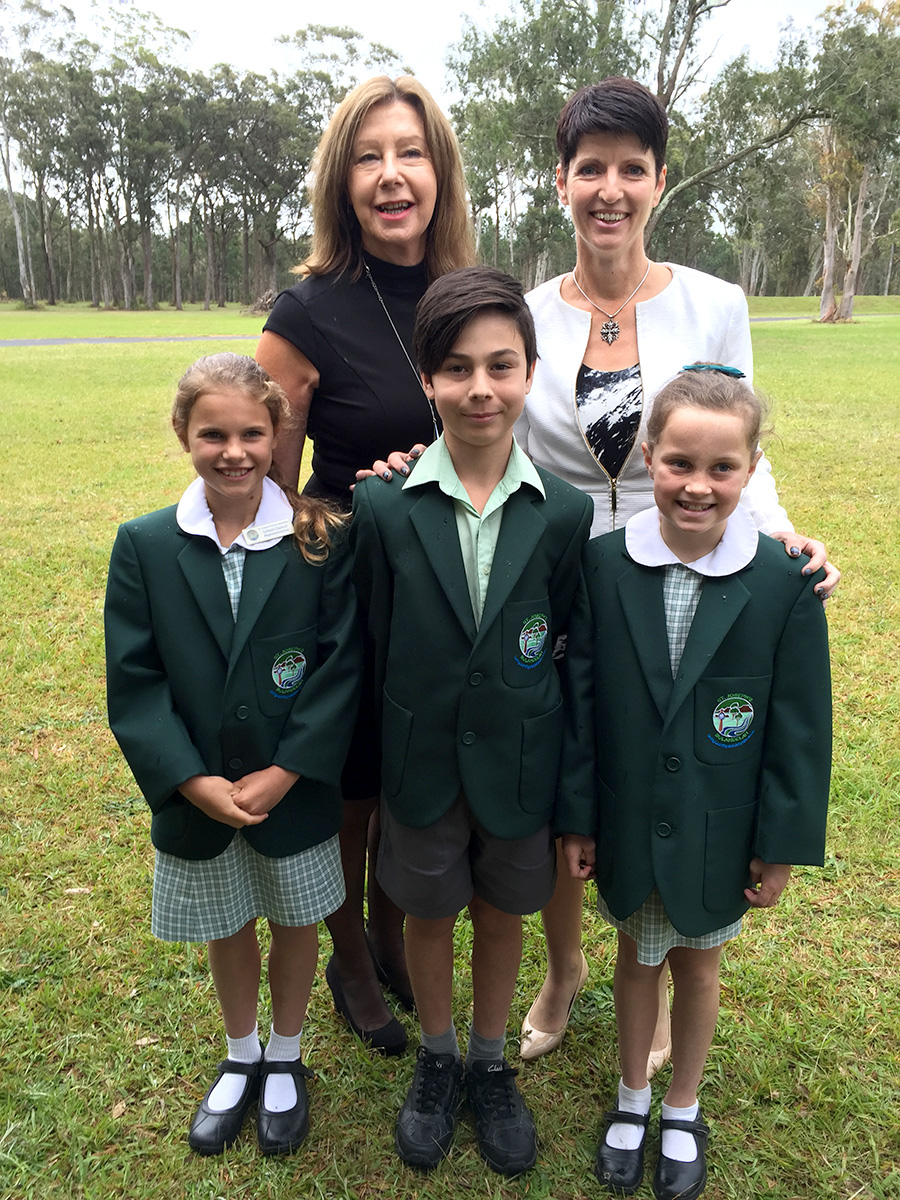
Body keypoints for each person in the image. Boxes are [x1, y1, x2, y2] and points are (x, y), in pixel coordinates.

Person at [364, 77, 839, 1070]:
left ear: (659, 181)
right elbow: (479, 420)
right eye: (591, 169)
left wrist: (784, 538)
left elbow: (739, 440)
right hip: (564, 580)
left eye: (632, 168)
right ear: (562, 182)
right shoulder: (529, 312)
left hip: (685, 574)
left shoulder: (715, 304)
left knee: (651, 768)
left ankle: (653, 970)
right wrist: (404, 470)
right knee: (559, 780)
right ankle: (565, 966)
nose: (610, 188)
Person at [558, 364, 831, 1199]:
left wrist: (779, 846)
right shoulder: (604, 567)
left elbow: (798, 730)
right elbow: (581, 705)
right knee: (637, 962)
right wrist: (578, 818)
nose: (698, 486)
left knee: (699, 970)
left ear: (752, 468)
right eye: (679, 463)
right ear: (647, 456)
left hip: (720, 828)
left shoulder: (784, 586)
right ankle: (632, 1096)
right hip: (629, 821)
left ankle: (682, 1104)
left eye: (722, 468)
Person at [351, 267, 593, 1175]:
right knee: (426, 908)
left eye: (502, 365)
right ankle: (440, 1054)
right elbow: (369, 639)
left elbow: (569, 645)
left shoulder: (563, 515)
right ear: (426, 380)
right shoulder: (383, 504)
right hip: (419, 765)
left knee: (501, 912)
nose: (480, 388)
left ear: (531, 372)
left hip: (519, 769)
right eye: (457, 368)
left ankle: (491, 1062)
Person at [255, 76, 475, 1054]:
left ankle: (393, 926)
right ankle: (348, 947)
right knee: (348, 787)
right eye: (368, 156)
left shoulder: (469, 298)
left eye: (412, 152)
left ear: (441, 173)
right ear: (342, 182)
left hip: (448, 588)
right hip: (342, 590)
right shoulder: (305, 314)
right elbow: (263, 482)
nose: (392, 175)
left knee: (410, 778)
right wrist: (345, 510)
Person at [104, 353, 362, 1157]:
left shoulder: (319, 537)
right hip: (201, 791)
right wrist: (190, 780)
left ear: (279, 433)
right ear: (183, 433)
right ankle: (242, 1050)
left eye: (253, 432)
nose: (234, 451)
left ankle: (286, 1056)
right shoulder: (144, 545)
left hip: (295, 787)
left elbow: (339, 663)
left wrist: (289, 769)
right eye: (212, 433)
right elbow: (136, 681)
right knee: (229, 922)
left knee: (292, 920)